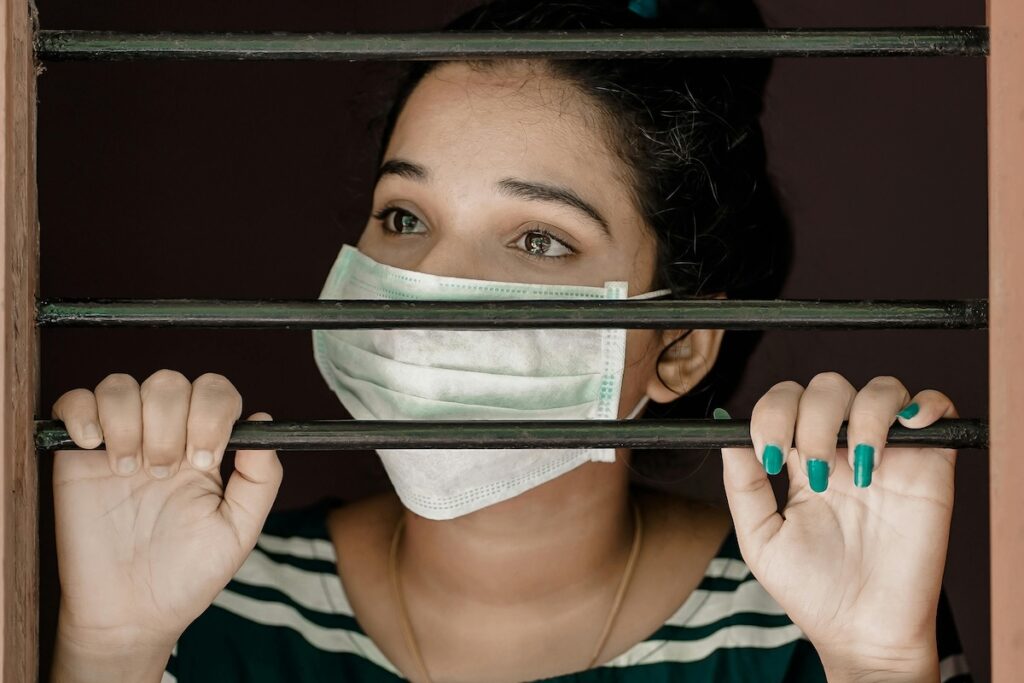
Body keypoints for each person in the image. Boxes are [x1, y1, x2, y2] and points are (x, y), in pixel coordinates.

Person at [48, 0, 973, 681]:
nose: (430, 287)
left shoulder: (812, 620)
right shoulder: (203, 599)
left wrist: (877, 664)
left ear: (682, 343)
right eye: (403, 217)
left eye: (537, 239)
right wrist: (111, 650)